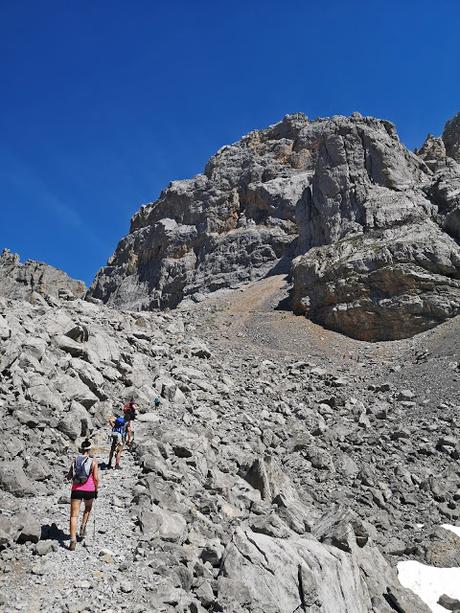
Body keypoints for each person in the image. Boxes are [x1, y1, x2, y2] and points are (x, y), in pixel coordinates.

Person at [67, 439, 98, 551]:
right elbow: (96, 478)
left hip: (76, 489)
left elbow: (69, 476)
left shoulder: (75, 460)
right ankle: (83, 527)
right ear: (89, 450)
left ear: (81, 449)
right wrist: (96, 490)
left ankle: (72, 540)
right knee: (88, 508)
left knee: (74, 515)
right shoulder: (93, 462)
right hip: (89, 489)